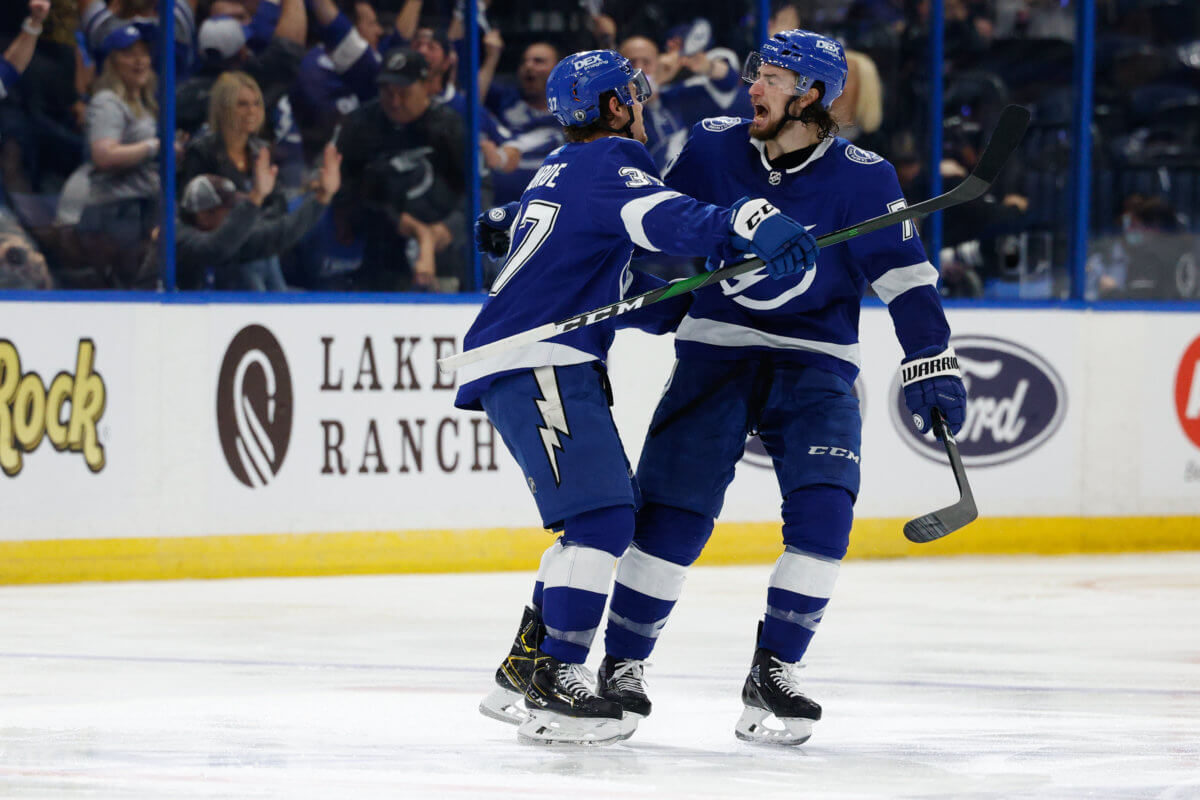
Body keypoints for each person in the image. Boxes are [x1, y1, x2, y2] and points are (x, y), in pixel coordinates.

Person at [488, 30, 970, 747]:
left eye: (773, 80)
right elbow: (644, 221)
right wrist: (540, 235)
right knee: (667, 524)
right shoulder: (714, 147)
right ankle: (621, 669)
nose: (754, 90)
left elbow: (906, 282)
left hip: (816, 365)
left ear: (812, 96)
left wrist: (930, 357)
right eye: (756, 75)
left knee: (825, 519)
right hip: (715, 354)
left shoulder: (865, 178)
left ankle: (774, 668)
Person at [464, 49, 819, 746]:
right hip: (541, 361)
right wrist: (749, 222)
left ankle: (520, 672)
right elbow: (669, 221)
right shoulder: (611, 162)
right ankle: (557, 681)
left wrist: (679, 304)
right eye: (634, 94)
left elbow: (624, 294)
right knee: (601, 519)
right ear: (615, 106)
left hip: (542, 359)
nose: (643, 104)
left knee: (597, 520)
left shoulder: (565, 168)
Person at [334, 47, 465, 290]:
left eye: (403, 93)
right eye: (387, 92)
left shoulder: (450, 127)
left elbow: (479, 189)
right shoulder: (360, 125)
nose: (394, 101)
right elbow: (344, 193)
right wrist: (398, 223)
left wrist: (449, 227)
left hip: (443, 252)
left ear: (426, 86)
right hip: (377, 255)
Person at [175, 142, 341, 289]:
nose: (235, 215)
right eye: (229, 209)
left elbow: (279, 233)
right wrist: (255, 198)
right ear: (204, 215)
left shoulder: (231, 239)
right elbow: (214, 249)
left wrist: (322, 198)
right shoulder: (178, 237)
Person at [72, 22, 161, 286]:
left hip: (141, 208)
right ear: (111, 62)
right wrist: (154, 147)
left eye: (144, 53)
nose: (140, 61)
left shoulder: (144, 104)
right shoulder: (107, 102)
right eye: (129, 54)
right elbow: (104, 154)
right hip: (116, 213)